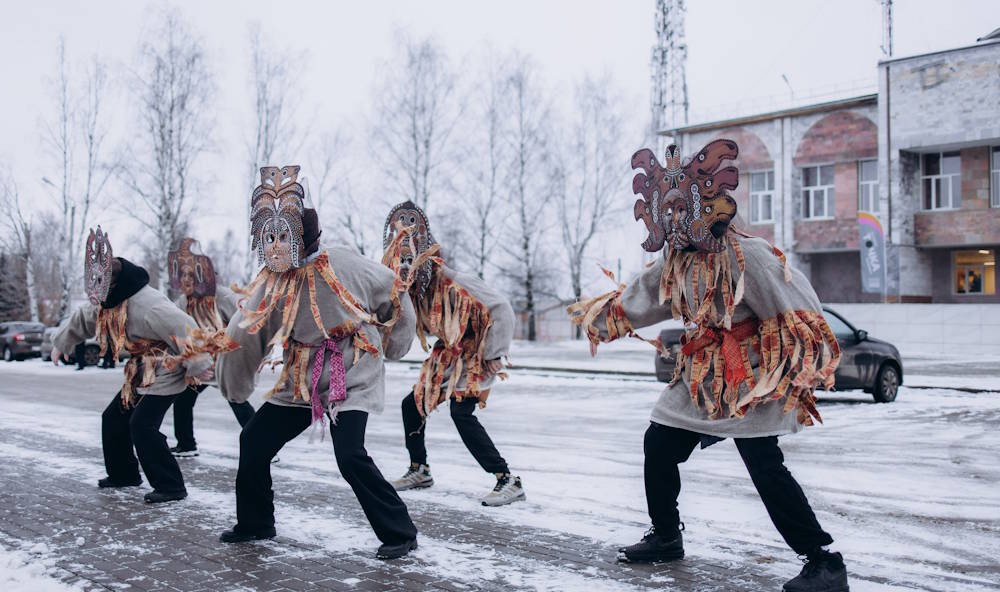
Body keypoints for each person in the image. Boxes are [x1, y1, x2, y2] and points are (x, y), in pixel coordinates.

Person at [568, 140, 849, 592]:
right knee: (659, 442)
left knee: (763, 463)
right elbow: (644, 295)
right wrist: (601, 318)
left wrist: (796, 363)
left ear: (707, 205)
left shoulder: (749, 256)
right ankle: (666, 536)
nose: (677, 217)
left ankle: (824, 562)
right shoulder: (677, 260)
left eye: (684, 207)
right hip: (702, 374)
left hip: (752, 377)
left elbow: (800, 309)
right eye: (669, 208)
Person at [216, 165, 419, 560]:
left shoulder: (346, 264)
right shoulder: (274, 281)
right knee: (254, 440)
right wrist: (234, 385)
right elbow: (246, 328)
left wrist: (395, 343)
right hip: (301, 378)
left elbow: (394, 295)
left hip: (352, 368)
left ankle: (400, 532)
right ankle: (256, 523)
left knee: (349, 455)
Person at [52, 226, 215, 504]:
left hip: (167, 367)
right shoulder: (107, 300)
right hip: (140, 370)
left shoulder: (148, 304)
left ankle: (171, 485)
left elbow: (184, 326)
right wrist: (61, 343)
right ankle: (124, 474)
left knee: (142, 425)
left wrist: (199, 363)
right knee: (113, 419)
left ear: (113, 284)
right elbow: (83, 318)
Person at [381, 201, 524, 506]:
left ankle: (507, 479)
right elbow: (404, 326)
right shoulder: (413, 294)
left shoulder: (454, 282)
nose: (406, 265)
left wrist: (494, 354)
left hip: (475, 352)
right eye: (401, 260)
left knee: (462, 413)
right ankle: (420, 469)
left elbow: (501, 308)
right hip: (447, 354)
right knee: (412, 405)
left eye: (411, 258)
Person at [166, 238, 256, 458]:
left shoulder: (222, 295)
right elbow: (176, 326)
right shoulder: (183, 302)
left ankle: (262, 444)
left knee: (236, 399)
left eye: (191, 275)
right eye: (183, 275)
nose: (186, 279)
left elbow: (245, 319)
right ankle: (186, 444)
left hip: (224, 360)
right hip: (200, 364)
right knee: (183, 399)